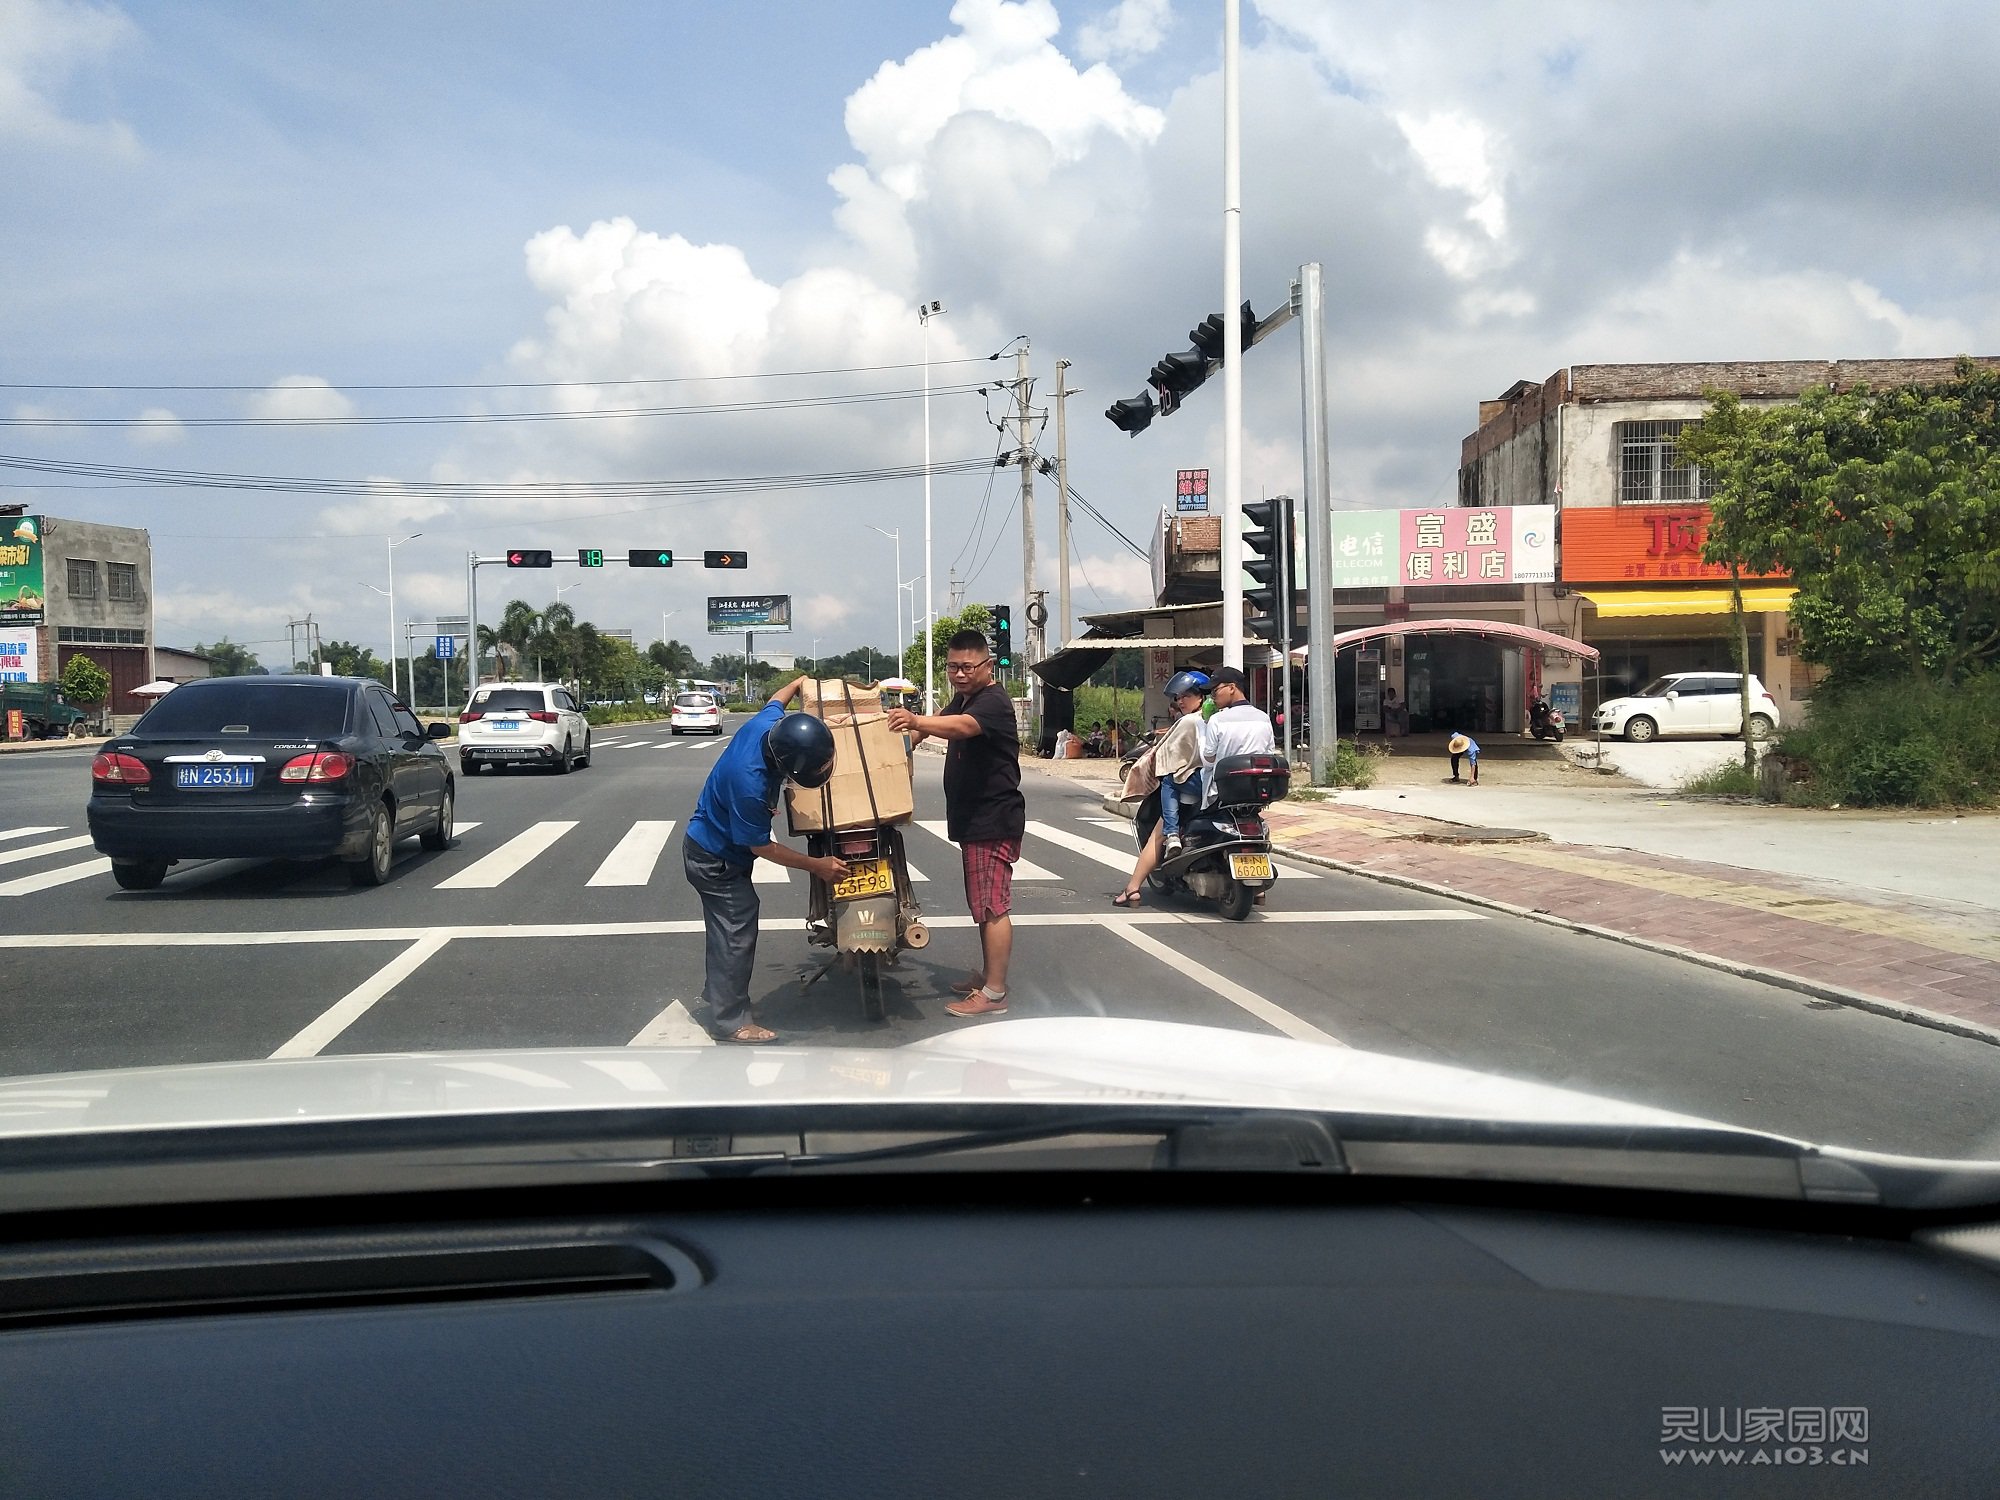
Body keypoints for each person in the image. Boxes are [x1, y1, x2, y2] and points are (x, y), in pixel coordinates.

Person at [682, 675, 849, 1044]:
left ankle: (719, 994)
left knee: (728, 928)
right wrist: (818, 866)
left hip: (717, 848)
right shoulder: (749, 784)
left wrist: (801, 681)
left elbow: (778, 697)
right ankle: (731, 1022)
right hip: (714, 859)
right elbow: (761, 846)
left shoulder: (768, 724)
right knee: (735, 932)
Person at [887, 630, 1025, 1018]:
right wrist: (895, 747)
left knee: (992, 906)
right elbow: (934, 725)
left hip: (993, 819)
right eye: (953, 667)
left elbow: (962, 727)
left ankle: (995, 993)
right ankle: (988, 977)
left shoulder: (993, 702)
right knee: (981, 904)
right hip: (974, 819)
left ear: (986, 665)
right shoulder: (967, 697)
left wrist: (916, 718)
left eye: (967, 667)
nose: (959, 674)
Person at [1113, 670, 1210, 906]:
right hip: (1220, 787)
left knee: (1159, 830)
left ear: (1200, 697)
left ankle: (1133, 887)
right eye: (1178, 698)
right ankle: (1257, 890)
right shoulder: (1222, 719)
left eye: (1185, 696)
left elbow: (1166, 755)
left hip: (1195, 788)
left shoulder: (1188, 721)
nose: (1180, 701)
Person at [1198, 666, 1276, 805]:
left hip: (1223, 792)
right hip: (1256, 791)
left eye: (1215, 691)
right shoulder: (1263, 717)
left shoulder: (1217, 720)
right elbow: (1268, 752)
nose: (1212, 697)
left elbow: (1209, 758)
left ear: (1232, 688)